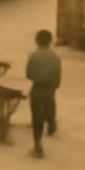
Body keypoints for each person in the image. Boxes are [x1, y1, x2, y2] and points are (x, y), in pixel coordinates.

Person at [25, 29, 61, 159]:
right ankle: (51, 125)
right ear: (50, 41)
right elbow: (58, 76)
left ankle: (38, 145)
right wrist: (54, 86)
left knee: (37, 116)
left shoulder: (34, 56)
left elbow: (29, 75)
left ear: (36, 41)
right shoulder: (55, 57)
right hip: (51, 87)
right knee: (50, 104)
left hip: (38, 87)